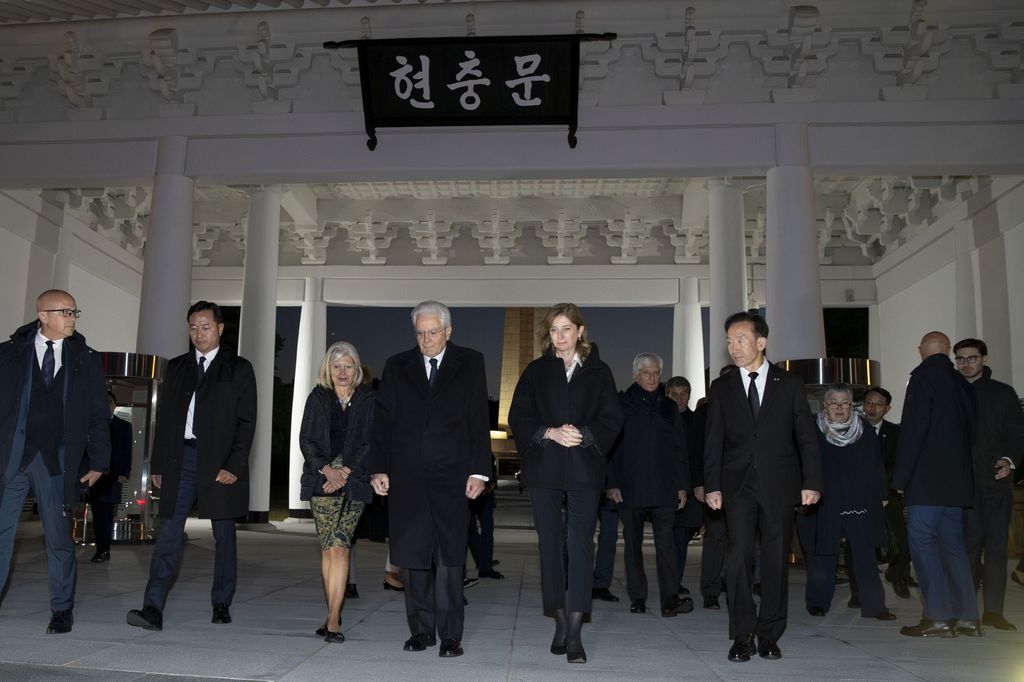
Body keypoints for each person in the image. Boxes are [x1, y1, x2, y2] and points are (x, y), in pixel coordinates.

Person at [369, 300, 491, 659]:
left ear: (448, 331)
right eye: (420, 333)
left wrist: (479, 471)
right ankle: (421, 631)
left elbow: (477, 420)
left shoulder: (471, 362)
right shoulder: (397, 365)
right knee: (414, 557)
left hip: (454, 477)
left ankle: (451, 635)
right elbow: (383, 423)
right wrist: (379, 468)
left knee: (451, 558)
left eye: (433, 332)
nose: (426, 339)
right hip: (407, 477)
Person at [127, 301, 257, 631]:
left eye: (205, 326)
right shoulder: (178, 367)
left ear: (220, 328)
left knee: (224, 535)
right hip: (179, 460)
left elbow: (246, 422)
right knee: (169, 532)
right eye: (193, 327)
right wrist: (157, 463)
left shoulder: (239, 368)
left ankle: (222, 602)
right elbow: (166, 420)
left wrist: (234, 465)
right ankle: (152, 608)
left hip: (219, 463)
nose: (199, 333)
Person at [703, 311, 822, 663]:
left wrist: (812, 481)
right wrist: (711, 485)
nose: (733, 347)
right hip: (737, 487)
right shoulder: (722, 386)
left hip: (779, 485)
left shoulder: (790, 384)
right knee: (737, 559)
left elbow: (806, 437)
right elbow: (713, 441)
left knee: (775, 562)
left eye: (740, 339)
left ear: (761, 342)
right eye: (728, 341)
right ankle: (742, 634)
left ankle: (770, 634)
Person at [508, 302, 623, 664]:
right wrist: (549, 432)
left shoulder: (599, 372)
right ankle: (558, 619)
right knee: (550, 544)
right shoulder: (536, 371)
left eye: (566, 329)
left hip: (586, 470)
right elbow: (518, 416)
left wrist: (586, 435)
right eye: (554, 330)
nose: (560, 336)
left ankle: (574, 631)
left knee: (580, 544)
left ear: (580, 331)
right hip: (544, 468)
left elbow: (613, 418)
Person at [0, 290, 109, 634]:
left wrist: (99, 459)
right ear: (42, 315)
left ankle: (61, 609)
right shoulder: (8, 354)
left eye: (75, 311)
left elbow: (97, 414)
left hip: (57, 462)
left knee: (59, 538)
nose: (73, 317)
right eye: (65, 312)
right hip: (13, 459)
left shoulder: (86, 359)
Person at [892, 331, 979, 638]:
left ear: (920, 351)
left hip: (926, 483)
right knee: (954, 548)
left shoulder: (922, 379)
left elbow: (913, 432)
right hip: (956, 484)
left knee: (923, 545)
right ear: (948, 350)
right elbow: (972, 431)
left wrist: (900, 478)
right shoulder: (961, 383)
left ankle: (938, 616)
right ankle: (968, 616)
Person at [797, 384, 896, 621]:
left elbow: (876, 466)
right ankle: (818, 603)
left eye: (845, 403)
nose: (839, 408)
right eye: (834, 403)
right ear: (825, 405)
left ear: (852, 405)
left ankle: (875, 606)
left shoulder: (864, 429)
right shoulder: (813, 429)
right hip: (824, 501)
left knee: (865, 555)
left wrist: (881, 496)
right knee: (822, 554)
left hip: (859, 500)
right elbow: (803, 464)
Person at [300, 341, 374, 643]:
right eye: (337, 366)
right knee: (329, 547)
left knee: (342, 546)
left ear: (357, 369)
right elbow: (306, 439)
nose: (342, 372)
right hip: (322, 480)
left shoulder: (369, 398)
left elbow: (372, 440)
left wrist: (344, 472)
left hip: (354, 480)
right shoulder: (317, 397)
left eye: (348, 366)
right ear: (328, 369)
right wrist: (328, 470)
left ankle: (333, 620)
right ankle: (332, 612)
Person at [607, 355, 691, 617]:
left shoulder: (669, 407)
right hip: (630, 487)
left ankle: (670, 599)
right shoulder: (620, 404)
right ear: (636, 375)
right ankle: (638, 596)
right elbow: (610, 448)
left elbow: (679, 448)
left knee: (666, 545)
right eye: (646, 373)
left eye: (656, 372)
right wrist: (611, 483)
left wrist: (682, 486)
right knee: (633, 545)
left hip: (664, 487)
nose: (652, 377)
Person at [954, 337, 1024, 631]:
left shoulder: (1003, 393)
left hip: (997, 482)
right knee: (968, 546)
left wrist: (1009, 460)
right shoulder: (951, 391)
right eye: (960, 359)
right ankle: (967, 611)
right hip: (961, 484)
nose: (965, 364)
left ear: (983, 358)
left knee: (995, 548)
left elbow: (1017, 432)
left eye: (971, 358)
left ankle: (994, 612)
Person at [859, 386, 915, 600]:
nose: (872, 408)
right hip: (858, 493)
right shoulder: (853, 429)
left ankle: (897, 573)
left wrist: (881, 485)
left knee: (900, 535)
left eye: (878, 404)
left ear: (887, 408)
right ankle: (861, 589)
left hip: (887, 491)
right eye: (868, 403)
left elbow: (899, 463)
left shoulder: (895, 433)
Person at [696, 365, 735, 610]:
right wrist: (701, 483)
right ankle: (710, 590)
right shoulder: (705, 412)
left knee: (743, 541)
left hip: (745, 487)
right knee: (715, 539)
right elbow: (699, 450)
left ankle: (735, 586)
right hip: (716, 486)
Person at [665, 375, 702, 596]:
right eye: (674, 394)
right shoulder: (661, 418)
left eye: (683, 394)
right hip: (666, 490)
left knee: (681, 541)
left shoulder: (697, 421)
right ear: (667, 394)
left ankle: (674, 582)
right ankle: (670, 582)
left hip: (689, 490)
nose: (679, 399)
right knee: (669, 541)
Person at [89, 390, 133, 563]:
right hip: (94, 475)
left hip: (113, 477)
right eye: (104, 401)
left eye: (110, 402)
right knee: (97, 512)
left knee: (107, 514)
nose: (107, 405)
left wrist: (124, 473)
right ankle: (100, 547)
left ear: (115, 405)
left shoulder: (123, 425)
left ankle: (103, 549)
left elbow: (127, 450)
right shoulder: (93, 424)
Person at [468, 455, 503, 580]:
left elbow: (493, 473)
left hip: (485, 496)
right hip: (469, 496)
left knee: (486, 531)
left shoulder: (486, 452)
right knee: (471, 531)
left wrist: (491, 486)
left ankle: (484, 565)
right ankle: (483, 563)